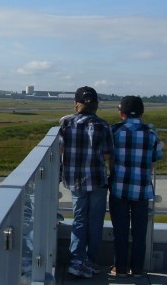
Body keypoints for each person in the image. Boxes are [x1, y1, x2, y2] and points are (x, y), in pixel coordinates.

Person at [59, 86, 114, 278]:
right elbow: (107, 155)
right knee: (95, 221)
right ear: (96, 105)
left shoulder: (66, 123)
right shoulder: (103, 125)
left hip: (74, 180)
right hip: (97, 179)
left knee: (79, 219)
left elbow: (59, 149)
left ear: (75, 104)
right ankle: (91, 261)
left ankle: (76, 260)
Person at [109, 96, 163, 278]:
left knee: (120, 231)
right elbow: (153, 162)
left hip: (119, 188)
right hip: (142, 190)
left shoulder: (114, 131)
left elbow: (108, 156)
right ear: (142, 113)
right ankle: (137, 268)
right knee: (140, 232)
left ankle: (120, 267)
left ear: (121, 113)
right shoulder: (151, 134)